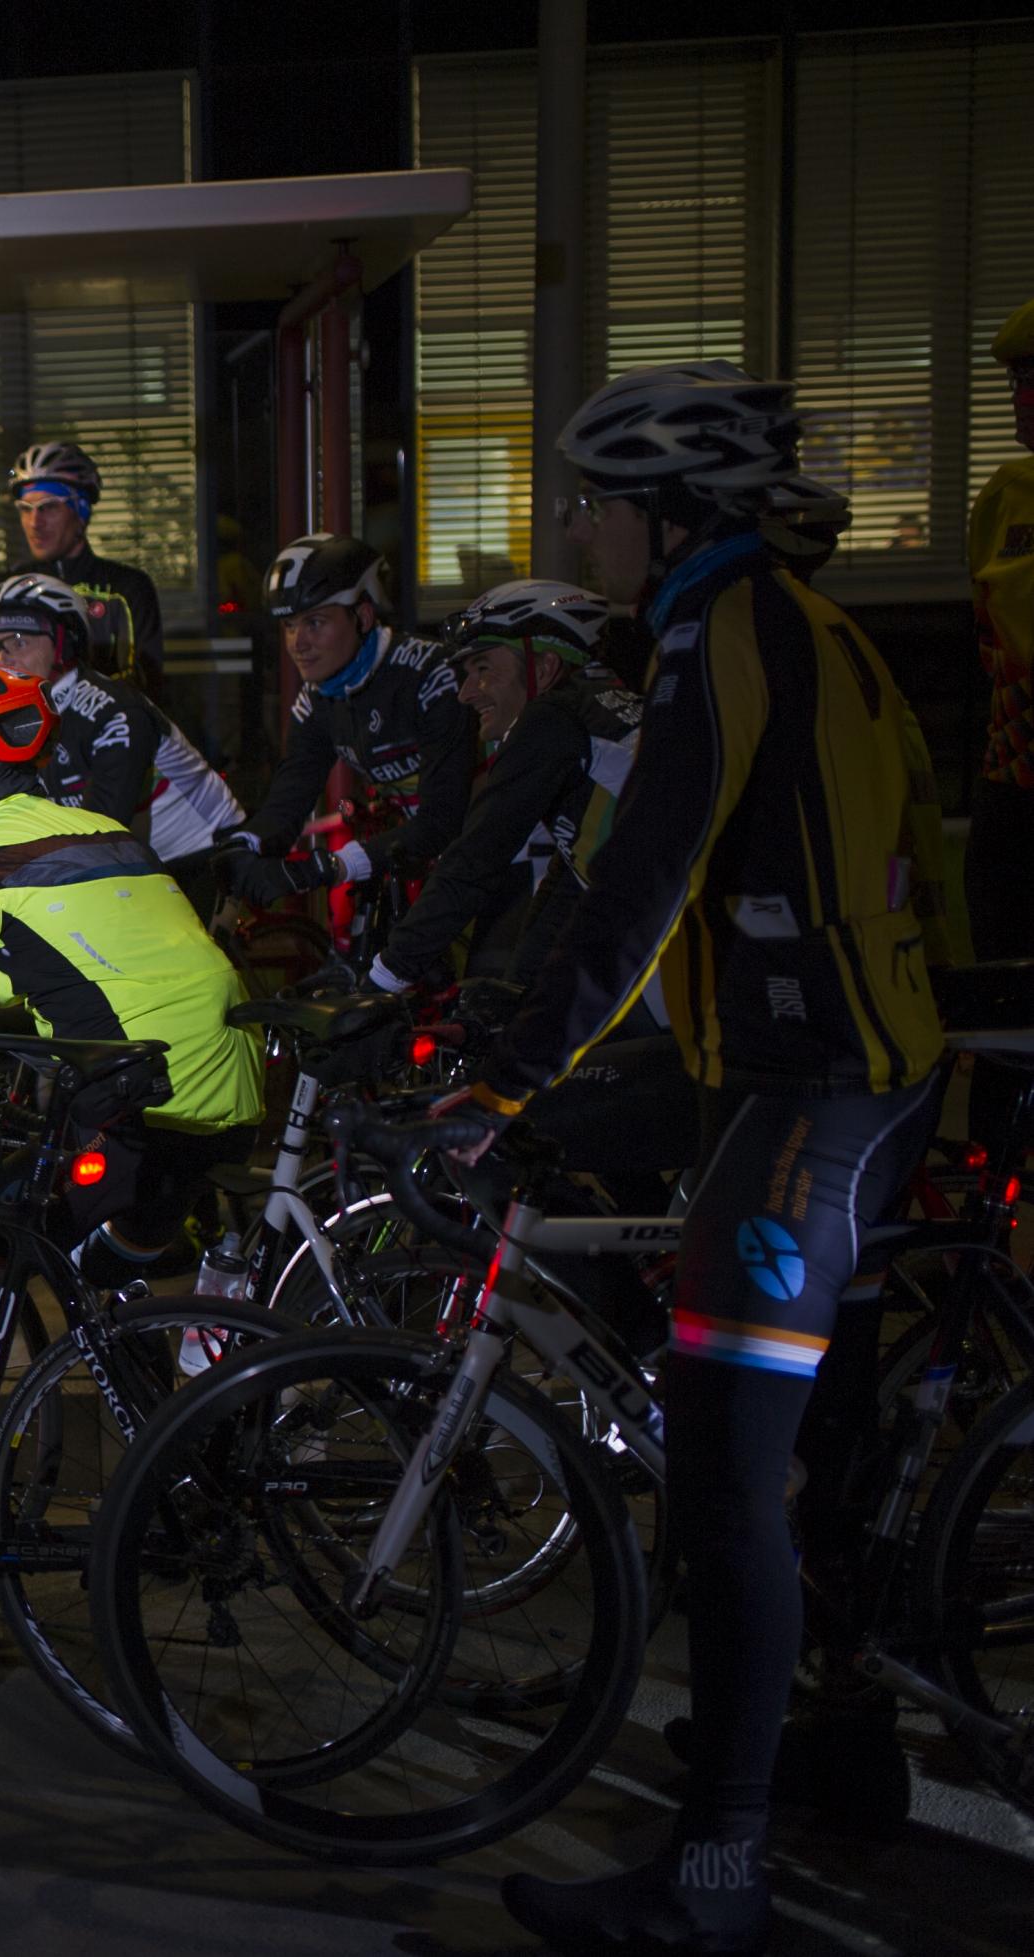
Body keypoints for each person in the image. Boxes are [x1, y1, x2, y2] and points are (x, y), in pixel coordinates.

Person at [460, 364, 947, 1955]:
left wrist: (509, 1081)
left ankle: (714, 1878)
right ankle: (836, 1744)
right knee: (821, 1452)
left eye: (593, 501)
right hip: (872, 1069)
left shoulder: (713, 633)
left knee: (725, 1489)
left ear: (668, 511)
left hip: (812, 1094)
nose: (578, 527)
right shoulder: (823, 625)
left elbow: (645, 877)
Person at [0, 662, 261, 1298]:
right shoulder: (109, 832)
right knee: (108, 1301)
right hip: (231, 1101)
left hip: (144, 1117)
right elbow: (79, 973)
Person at [365, 580, 641, 996]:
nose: (464, 693)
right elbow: (574, 876)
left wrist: (381, 981)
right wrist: (520, 989)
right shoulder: (600, 704)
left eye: (482, 670)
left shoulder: (552, 719)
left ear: (544, 667)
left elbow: (475, 859)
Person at [218, 534, 476, 915]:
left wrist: (333, 865)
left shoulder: (430, 676)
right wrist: (245, 843)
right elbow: (290, 799)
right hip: (424, 855)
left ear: (364, 616)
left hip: (501, 848)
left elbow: (442, 819)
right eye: (289, 626)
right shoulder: (318, 698)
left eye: (315, 622)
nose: (297, 643)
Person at [0, 571, 245, 914]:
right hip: (129, 856)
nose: (3, 659)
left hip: (200, 851)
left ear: (64, 644)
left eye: (19, 641)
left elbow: (101, 828)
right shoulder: (16, 718)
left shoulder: (113, 710)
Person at [0, 440, 165, 694]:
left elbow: (145, 687)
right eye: (26, 509)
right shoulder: (1, 592)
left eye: (49, 507)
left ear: (82, 511)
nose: (35, 522)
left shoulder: (128, 587)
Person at [970, 298, 1034, 961]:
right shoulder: (1002, 495)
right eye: (1013, 380)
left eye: (1031, 377)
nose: (1019, 397)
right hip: (1011, 784)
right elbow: (987, 633)